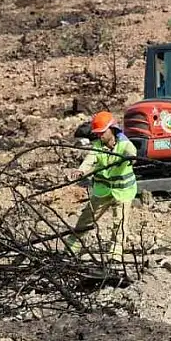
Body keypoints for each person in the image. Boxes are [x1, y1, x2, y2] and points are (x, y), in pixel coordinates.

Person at [66, 111, 138, 262]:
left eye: (102, 132)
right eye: (97, 133)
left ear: (112, 129)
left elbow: (132, 153)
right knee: (86, 219)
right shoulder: (97, 146)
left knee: (120, 223)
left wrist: (129, 158)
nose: (100, 136)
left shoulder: (125, 144)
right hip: (102, 191)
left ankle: (115, 255)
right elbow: (89, 160)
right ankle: (71, 248)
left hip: (123, 192)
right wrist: (81, 171)